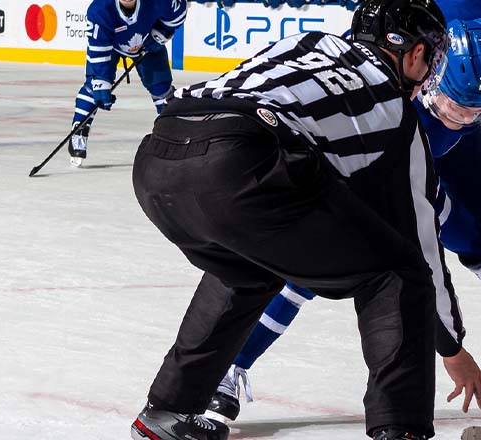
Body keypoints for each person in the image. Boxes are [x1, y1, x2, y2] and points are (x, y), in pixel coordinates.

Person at [203, 8, 481, 425]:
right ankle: (228, 364)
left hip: (447, 141)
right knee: (310, 257)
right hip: (382, 134)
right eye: (458, 108)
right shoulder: (380, 70)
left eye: (476, 113)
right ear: (425, 66)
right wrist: (454, 341)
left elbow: (466, 106)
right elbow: (430, 217)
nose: (463, 119)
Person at [127, 0, 450, 439]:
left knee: (247, 266)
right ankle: (401, 430)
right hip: (240, 160)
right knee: (398, 272)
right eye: (431, 58)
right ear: (414, 54)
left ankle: (167, 411)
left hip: (158, 155)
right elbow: (420, 240)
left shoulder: (308, 41)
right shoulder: (396, 109)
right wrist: (449, 343)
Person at [69, 0, 186, 167]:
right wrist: (101, 83)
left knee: (161, 88)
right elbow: (99, 48)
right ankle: (79, 130)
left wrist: (159, 34)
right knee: (93, 89)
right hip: (111, 47)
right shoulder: (100, 9)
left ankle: (174, 131)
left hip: (147, 43)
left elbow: (179, 12)